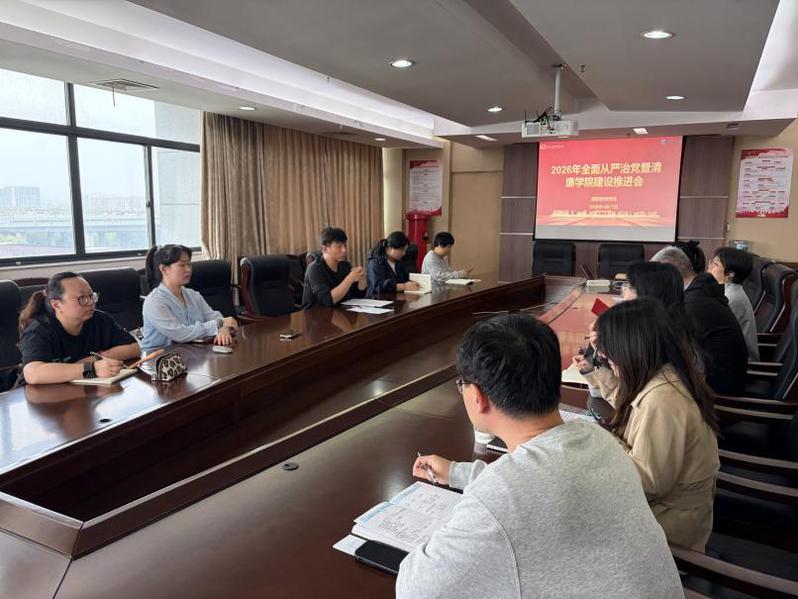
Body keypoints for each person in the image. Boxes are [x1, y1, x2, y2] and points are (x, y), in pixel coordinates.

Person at [397, 314, 683, 598]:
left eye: (462, 384)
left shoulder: (500, 499)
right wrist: (457, 473)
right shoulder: (597, 438)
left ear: (478, 397)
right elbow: (537, 486)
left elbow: (415, 589)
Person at [578, 298, 720, 552]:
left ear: (632, 350)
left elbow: (648, 483)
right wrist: (596, 370)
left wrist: (600, 441)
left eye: (610, 356)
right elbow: (632, 403)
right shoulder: (665, 375)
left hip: (668, 531)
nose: (606, 359)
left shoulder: (663, 400)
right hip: (667, 512)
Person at [651, 246, 747, 395]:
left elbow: (670, 346)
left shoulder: (694, 303)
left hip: (717, 391)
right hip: (717, 377)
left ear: (670, 272)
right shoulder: (701, 290)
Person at [18, 272, 140, 384]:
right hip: (42, 396)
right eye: (82, 298)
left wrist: (95, 358)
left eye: (91, 296)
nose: (91, 302)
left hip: (85, 390)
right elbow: (32, 374)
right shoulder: (39, 330)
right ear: (57, 305)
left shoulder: (100, 319)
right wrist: (91, 369)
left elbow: (134, 348)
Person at [141, 244, 238, 353]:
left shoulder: (193, 295)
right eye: (182, 265)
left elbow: (214, 316)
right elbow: (180, 334)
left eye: (189, 264)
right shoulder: (154, 302)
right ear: (164, 269)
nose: (188, 269)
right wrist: (219, 324)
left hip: (188, 352)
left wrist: (223, 329)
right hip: (159, 358)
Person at [707, 247, 759, 360]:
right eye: (711, 262)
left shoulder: (731, 298)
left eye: (715, 264)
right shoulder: (726, 291)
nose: (709, 266)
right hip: (726, 356)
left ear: (730, 274)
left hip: (740, 363)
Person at [302, 227, 367, 308]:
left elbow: (358, 295)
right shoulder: (314, 269)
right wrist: (350, 278)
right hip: (315, 314)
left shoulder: (345, 265)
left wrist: (362, 280)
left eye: (345, 245)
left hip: (339, 311)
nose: (344, 250)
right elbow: (326, 300)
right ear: (325, 248)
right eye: (339, 246)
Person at [366, 231, 420, 295]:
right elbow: (378, 286)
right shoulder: (375, 262)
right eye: (401, 250)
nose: (404, 253)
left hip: (396, 297)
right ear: (389, 247)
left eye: (405, 250)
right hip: (377, 298)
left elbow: (405, 278)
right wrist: (403, 286)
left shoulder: (399, 262)